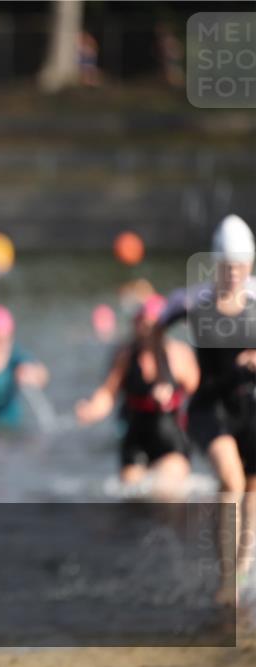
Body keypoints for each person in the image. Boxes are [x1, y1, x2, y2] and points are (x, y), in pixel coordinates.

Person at [154, 213, 256, 605]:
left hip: (247, 407)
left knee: (251, 489)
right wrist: (164, 374)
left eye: (241, 267)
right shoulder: (193, 301)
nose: (234, 275)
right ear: (215, 264)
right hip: (208, 407)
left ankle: (243, 569)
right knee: (230, 481)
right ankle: (226, 578)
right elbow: (152, 329)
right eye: (227, 267)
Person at [75, 295, 199, 489]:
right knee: (132, 494)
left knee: (165, 490)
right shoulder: (125, 356)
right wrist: (92, 410)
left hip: (170, 439)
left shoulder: (179, 355)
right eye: (141, 322)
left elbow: (199, 395)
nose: (145, 329)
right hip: (135, 437)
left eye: (151, 323)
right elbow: (108, 393)